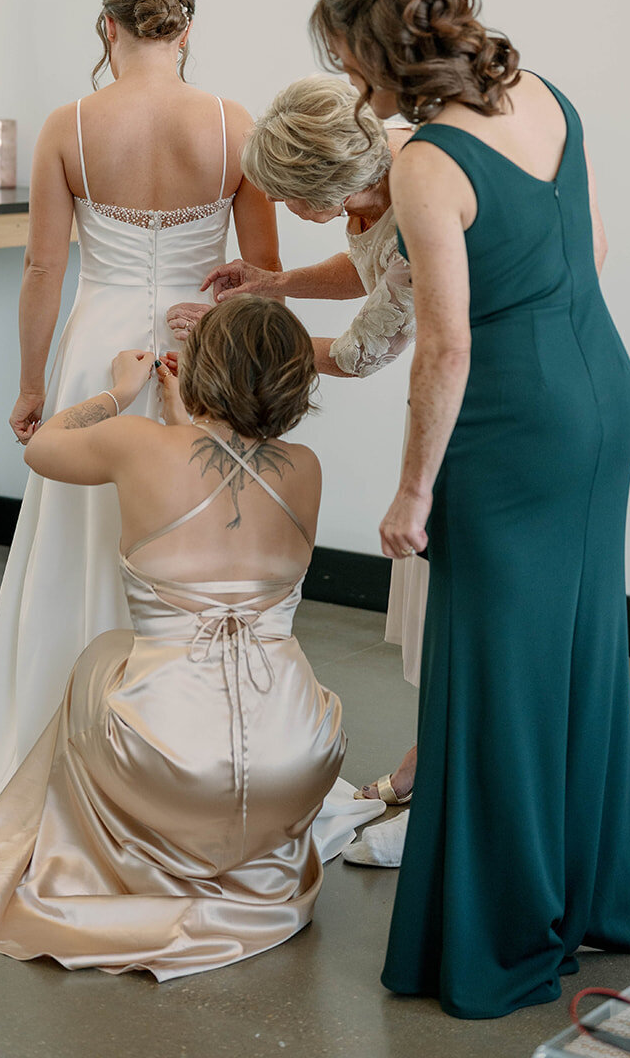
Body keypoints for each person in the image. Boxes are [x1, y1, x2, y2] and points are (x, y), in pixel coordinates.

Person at [311, 0, 630, 1018]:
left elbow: (444, 348)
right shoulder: (543, 94)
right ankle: (582, 899)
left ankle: (503, 935)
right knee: (577, 656)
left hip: (511, 427)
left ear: (375, 55)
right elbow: (591, 246)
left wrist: (411, 493)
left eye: (344, 61)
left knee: (495, 673)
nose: (347, 85)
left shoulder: (422, 162)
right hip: (602, 392)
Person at [0, 299, 352, 980]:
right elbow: (227, 477)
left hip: (175, 765)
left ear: (203, 368)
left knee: (102, 656)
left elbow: (42, 446)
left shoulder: (138, 443)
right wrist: (181, 424)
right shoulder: (303, 466)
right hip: (298, 758)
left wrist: (117, 391)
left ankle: (110, 852)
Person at [0, 0, 279, 820]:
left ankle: (61, 719)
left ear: (109, 28)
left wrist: (32, 386)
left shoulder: (69, 125)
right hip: (199, 350)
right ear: (186, 29)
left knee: (86, 520)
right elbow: (263, 272)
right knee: (193, 528)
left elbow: (42, 268)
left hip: (98, 347)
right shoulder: (232, 124)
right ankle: (189, 742)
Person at [166, 75, 422, 816]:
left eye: (286, 197)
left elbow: (358, 351)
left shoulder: (416, 203)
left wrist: (232, 338)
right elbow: (367, 272)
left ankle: (439, 768)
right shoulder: (376, 171)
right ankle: (432, 755)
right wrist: (273, 286)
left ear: (330, 184)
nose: (277, 207)